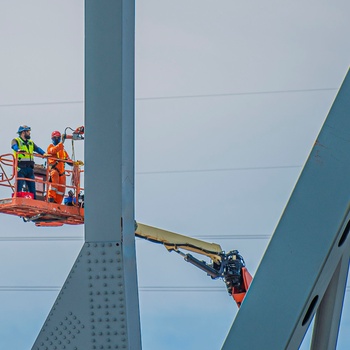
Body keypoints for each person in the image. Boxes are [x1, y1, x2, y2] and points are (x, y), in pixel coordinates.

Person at [11, 125, 48, 199]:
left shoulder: (30, 142)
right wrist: (18, 150)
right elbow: (14, 146)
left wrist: (44, 153)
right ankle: (18, 199)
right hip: (20, 168)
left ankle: (33, 200)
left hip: (29, 169)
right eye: (28, 132)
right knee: (19, 188)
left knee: (32, 189)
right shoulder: (16, 140)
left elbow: (37, 149)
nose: (29, 133)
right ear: (23, 132)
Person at [47, 130, 73, 204]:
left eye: (58, 137)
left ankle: (57, 203)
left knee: (61, 189)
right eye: (55, 138)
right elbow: (53, 151)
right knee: (53, 185)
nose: (57, 139)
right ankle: (50, 199)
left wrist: (73, 163)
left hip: (61, 172)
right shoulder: (50, 147)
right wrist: (62, 142)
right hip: (54, 170)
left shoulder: (63, 151)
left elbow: (68, 159)